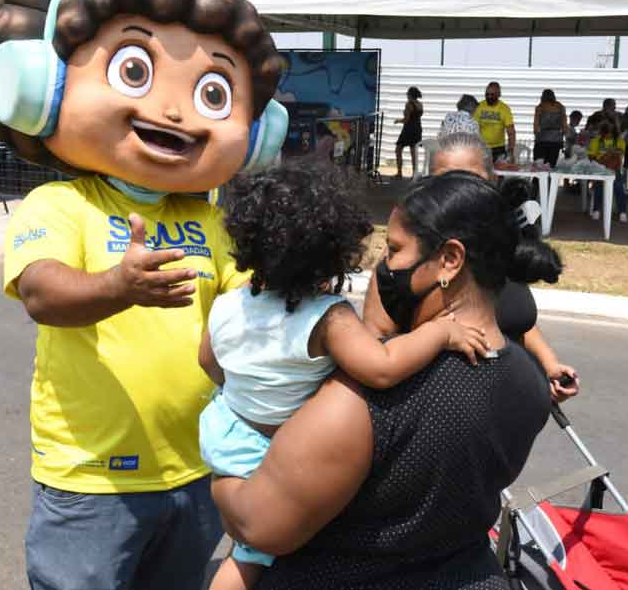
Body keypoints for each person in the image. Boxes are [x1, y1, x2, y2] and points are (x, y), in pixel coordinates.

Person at [0, 0, 288, 590]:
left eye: (212, 91)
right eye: (134, 69)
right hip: (93, 479)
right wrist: (120, 286)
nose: (175, 113)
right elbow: (42, 292)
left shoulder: (210, 220)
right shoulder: (61, 204)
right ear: (43, 86)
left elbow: (241, 311)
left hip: (197, 467)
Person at [211, 171, 559, 589]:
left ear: (450, 259)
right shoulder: (528, 379)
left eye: (394, 250)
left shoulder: (361, 399)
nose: (383, 267)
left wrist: (220, 475)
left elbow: (259, 527)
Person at [390, 132, 579, 402]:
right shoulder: (408, 256)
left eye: (471, 178)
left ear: (492, 180)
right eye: (445, 179)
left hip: (509, 406)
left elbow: (516, 321)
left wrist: (549, 364)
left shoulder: (502, 242)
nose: (459, 190)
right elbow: (379, 346)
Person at [588, 120, 628, 223]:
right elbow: (592, 157)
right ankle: (596, 210)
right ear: (602, 133)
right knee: (598, 185)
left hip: (614, 170)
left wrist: (609, 154)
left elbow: (620, 152)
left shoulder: (619, 141)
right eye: (606, 134)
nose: (608, 136)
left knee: (619, 186)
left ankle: (622, 212)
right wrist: (604, 157)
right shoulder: (596, 141)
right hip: (600, 169)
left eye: (611, 133)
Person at [472, 81, 515, 162]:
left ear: (498, 95)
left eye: (492, 95)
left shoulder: (504, 109)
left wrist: (511, 150)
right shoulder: (479, 106)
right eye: (487, 94)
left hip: (498, 148)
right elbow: (473, 127)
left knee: (499, 173)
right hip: (481, 147)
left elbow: (511, 131)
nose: (489, 97)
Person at [533, 89, 568, 166]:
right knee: (552, 166)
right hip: (556, 140)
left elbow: (535, 127)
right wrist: (562, 136)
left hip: (542, 140)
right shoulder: (561, 107)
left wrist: (536, 135)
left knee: (539, 166)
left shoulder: (540, 107)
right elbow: (565, 127)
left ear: (542, 97)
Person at [393, 86, 423, 178]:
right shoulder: (420, 104)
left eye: (407, 93)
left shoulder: (409, 104)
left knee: (398, 150)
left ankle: (399, 172)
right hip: (417, 129)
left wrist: (398, 121)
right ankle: (414, 174)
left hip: (408, 130)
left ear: (410, 95)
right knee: (413, 152)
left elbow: (406, 120)